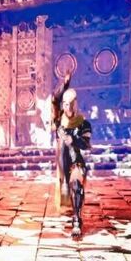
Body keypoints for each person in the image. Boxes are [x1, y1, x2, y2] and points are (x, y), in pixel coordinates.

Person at [51, 72, 93, 237]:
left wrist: (73, 139)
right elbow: (54, 99)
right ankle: (67, 193)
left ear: (75, 104)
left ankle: (77, 220)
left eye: (70, 104)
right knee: (67, 190)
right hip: (63, 163)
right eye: (65, 104)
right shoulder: (59, 120)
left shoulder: (83, 123)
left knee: (76, 184)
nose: (67, 107)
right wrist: (65, 83)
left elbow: (86, 144)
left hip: (77, 162)